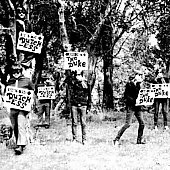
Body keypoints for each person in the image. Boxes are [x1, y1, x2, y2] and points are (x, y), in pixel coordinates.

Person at [5, 62, 34, 155]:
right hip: (13, 107)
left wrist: (31, 101)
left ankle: (21, 145)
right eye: (14, 71)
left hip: (23, 108)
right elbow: (7, 93)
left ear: (20, 71)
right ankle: (19, 142)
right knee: (15, 126)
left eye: (17, 71)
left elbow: (33, 91)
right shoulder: (10, 82)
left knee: (21, 124)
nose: (16, 73)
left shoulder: (27, 80)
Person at [113, 72, 145, 145]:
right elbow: (126, 96)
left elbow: (141, 94)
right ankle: (116, 139)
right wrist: (134, 101)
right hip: (131, 107)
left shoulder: (138, 85)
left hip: (138, 107)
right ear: (135, 77)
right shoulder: (129, 85)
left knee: (142, 123)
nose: (140, 77)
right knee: (128, 124)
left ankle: (139, 139)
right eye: (139, 75)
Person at [70, 70, 89, 145]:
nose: (77, 76)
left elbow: (88, 94)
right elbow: (70, 84)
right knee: (74, 122)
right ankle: (74, 138)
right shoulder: (73, 83)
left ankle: (84, 139)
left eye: (79, 75)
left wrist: (88, 105)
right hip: (74, 104)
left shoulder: (85, 84)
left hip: (83, 104)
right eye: (76, 75)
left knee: (83, 123)